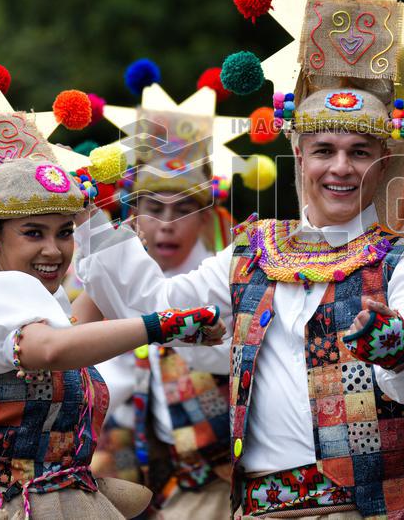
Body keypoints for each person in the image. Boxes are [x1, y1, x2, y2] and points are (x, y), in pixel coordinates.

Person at [76, 0, 404, 518]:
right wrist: (84, 216)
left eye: (359, 152)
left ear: (383, 162)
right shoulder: (250, 252)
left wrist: (400, 349)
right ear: (298, 155)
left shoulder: (403, 261)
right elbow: (156, 305)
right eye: (324, 150)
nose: (340, 168)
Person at [0, 66, 224, 519]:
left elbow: (85, 323)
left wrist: (118, 248)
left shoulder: (40, 298)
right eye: (33, 233)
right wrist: (160, 325)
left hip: (50, 498)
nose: (53, 250)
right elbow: (51, 349)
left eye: (64, 232)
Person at [80, 69, 249, 518]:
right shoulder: (110, 285)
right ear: (133, 214)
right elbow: (94, 374)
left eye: (184, 209)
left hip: (222, 482)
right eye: (154, 208)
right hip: (140, 475)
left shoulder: (229, 279)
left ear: (206, 215)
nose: (167, 225)